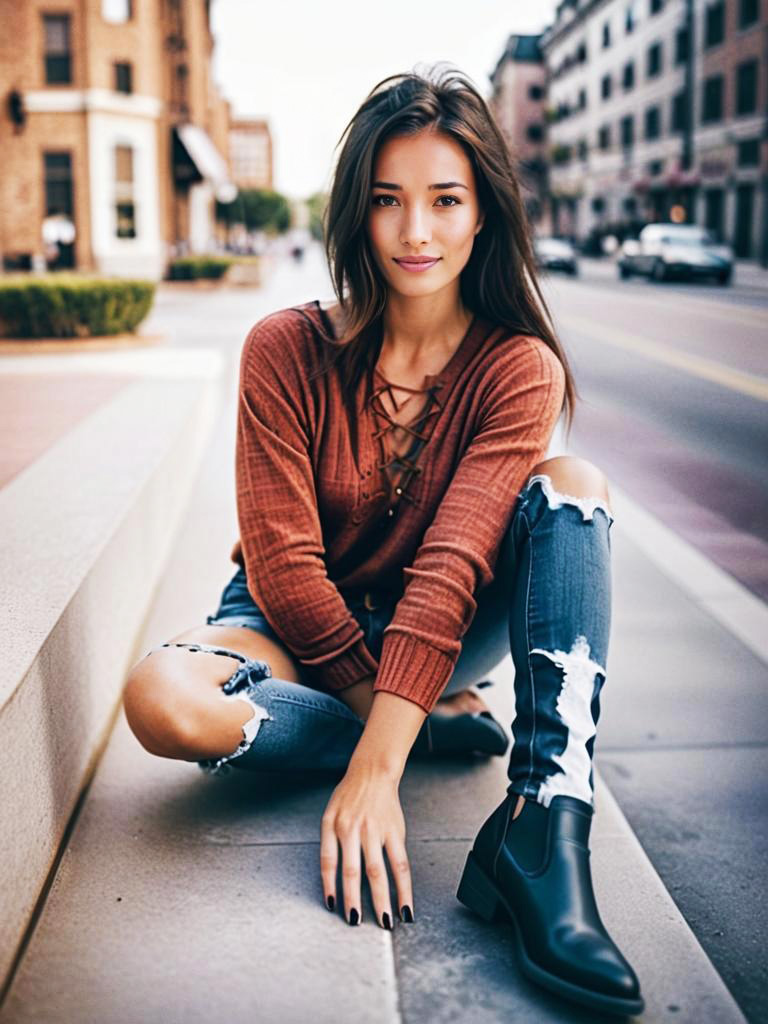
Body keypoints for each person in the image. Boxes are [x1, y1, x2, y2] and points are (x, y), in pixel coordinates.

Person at [123, 65, 644, 1017]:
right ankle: (427, 721)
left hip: (445, 625)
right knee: (163, 702)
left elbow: (450, 571)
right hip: (292, 619)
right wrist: (395, 734)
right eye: (387, 201)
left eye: (445, 200)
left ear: (482, 212)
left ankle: (545, 826)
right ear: (354, 215)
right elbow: (280, 565)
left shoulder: (515, 366)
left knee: (573, 487)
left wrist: (374, 775)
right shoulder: (285, 348)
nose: (416, 232)